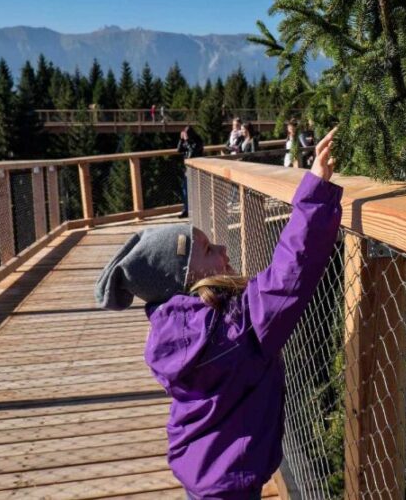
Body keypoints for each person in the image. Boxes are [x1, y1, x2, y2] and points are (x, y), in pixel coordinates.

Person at [95, 129, 341, 500]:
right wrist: (316, 191)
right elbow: (289, 274)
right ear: (190, 279)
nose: (223, 247)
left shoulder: (169, 325)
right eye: (209, 249)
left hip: (202, 469)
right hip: (231, 481)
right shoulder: (232, 330)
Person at [176, 125, 204, 218]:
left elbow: (192, 153)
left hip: (196, 170)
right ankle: (186, 210)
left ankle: (198, 211)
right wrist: (181, 140)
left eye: (187, 134)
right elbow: (179, 150)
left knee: (196, 192)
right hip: (187, 169)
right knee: (185, 191)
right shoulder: (186, 141)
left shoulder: (198, 141)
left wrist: (187, 140)